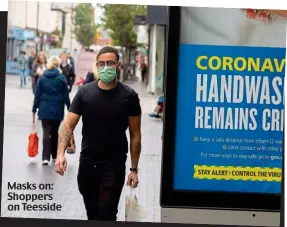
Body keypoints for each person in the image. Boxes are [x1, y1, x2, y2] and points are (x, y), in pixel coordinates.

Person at [55, 45, 142, 221]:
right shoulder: (85, 93)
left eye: (110, 63)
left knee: (106, 213)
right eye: (101, 63)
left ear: (118, 65)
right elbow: (67, 126)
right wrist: (60, 154)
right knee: (92, 214)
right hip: (88, 164)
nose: (105, 67)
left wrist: (133, 169)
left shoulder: (129, 96)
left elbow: (135, 135)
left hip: (114, 165)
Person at [32, 56, 71, 165]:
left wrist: (34, 109)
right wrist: (70, 107)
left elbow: (37, 94)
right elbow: (65, 95)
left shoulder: (43, 78)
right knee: (54, 132)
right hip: (57, 109)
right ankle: (54, 155)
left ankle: (45, 158)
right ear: (58, 65)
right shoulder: (61, 78)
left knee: (46, 131)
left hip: (44, 109)